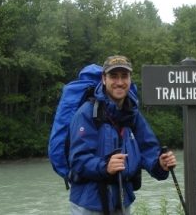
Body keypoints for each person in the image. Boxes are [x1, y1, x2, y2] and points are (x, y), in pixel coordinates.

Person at [68, 55, 177, 215]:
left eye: (124, 76)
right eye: (113, 76)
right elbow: (78, 159)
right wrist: (105, 167)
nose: (119, 82)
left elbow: (148, 149)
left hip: (122, 200)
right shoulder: (87, 113)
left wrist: (160, 164)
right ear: (104, 79)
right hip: (89, 204)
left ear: (130, 79)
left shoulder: (132, 114)